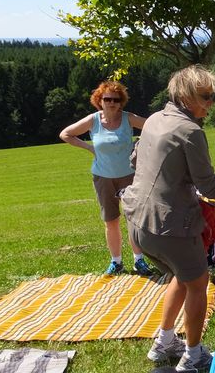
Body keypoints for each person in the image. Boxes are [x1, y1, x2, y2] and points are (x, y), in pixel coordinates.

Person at [121, 64, 215, 371]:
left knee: (180, 276)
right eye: (205, 96)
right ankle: (194, 355)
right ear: (185, 96)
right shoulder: (191, 131)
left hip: (138, 223)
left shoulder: (154, 119)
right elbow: (210, 188)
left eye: (213, 96)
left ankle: (164, 342)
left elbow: (135, 160)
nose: (211, 103)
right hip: (169, 227)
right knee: (199, 283)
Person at [59, 81, 153, 276]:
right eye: (107, 99)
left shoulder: (128, 118)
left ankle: (139, 261)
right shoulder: (93, 120)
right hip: (103, 178)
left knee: (134, 220)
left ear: (121, 102)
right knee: (111, 221)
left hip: (130, 177)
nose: (111, 103)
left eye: (116, 100)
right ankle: (116, 262)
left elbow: (154, 127)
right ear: (99, 100)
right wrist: (89, 148)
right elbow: (65, 134)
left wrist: (142, 145)